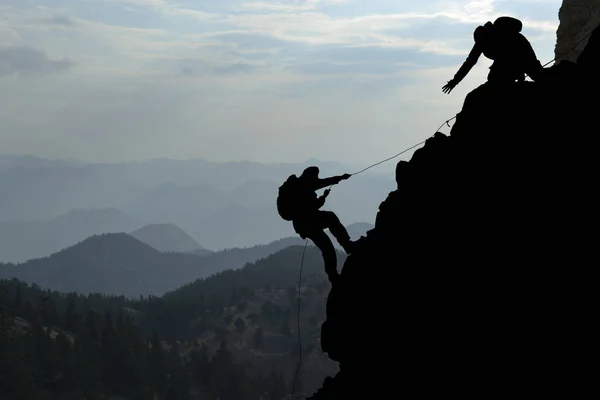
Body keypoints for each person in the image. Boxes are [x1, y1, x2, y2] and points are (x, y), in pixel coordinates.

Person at [277, 166, 355, 283]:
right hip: (309, 223)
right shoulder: (304, 186)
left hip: (304, 225)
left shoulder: (298, 185)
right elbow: (315, 201)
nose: (316, 179)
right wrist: (339, 179)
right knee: (328, 241)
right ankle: (346, 246)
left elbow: (321, 185)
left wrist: (340, 179)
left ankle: (333, 274)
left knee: (327, 244)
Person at [442, 16, 544, 94]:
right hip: (510, 62)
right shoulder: (485, 40)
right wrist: (455, 81)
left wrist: (455, 81)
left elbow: (470, 62)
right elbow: (470, 62)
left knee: (540, 78)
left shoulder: (497, 37)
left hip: (518, 58)